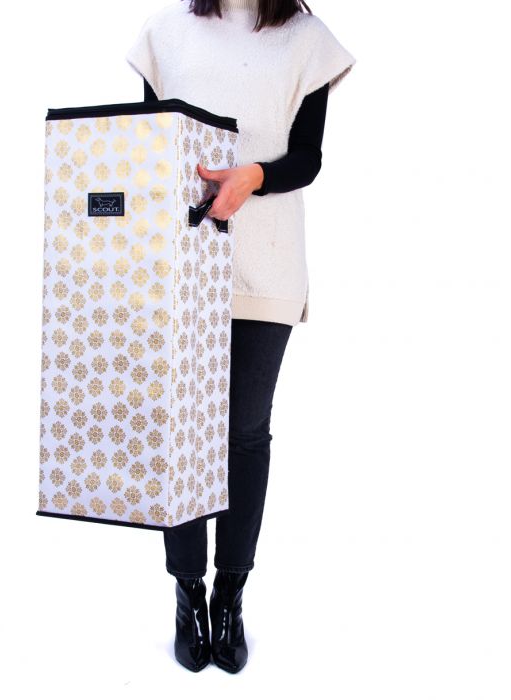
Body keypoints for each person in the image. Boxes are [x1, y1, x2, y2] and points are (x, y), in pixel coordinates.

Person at [126, 0, 356, 673]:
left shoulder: (306, 39)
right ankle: (187, 595)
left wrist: (252, 176)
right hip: (179, 262)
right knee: (181, 428)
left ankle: (230, 594)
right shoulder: (166, 33)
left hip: (266, 260)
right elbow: (146, 149)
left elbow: (307, 158)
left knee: (244, 432)